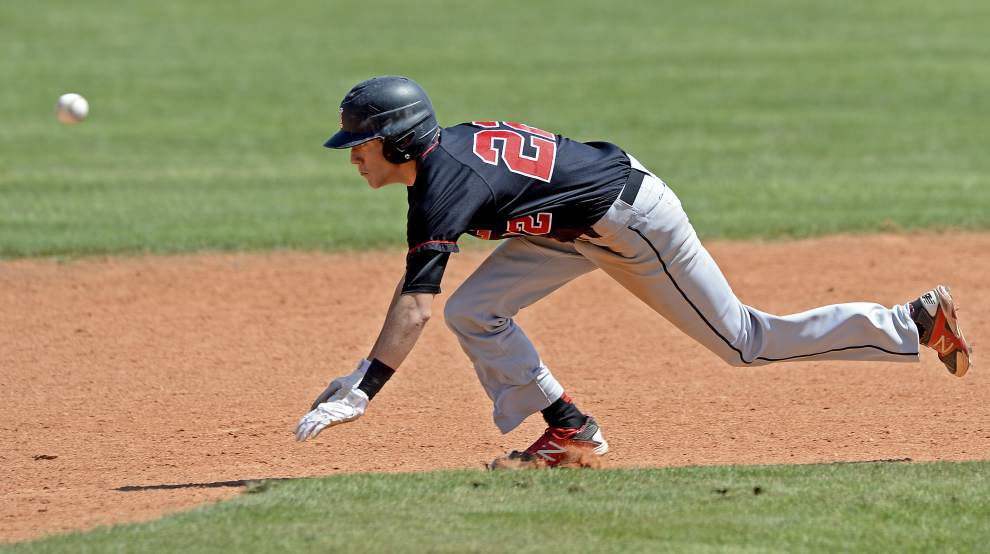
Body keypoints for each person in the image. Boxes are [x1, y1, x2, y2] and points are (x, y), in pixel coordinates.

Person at [294, 75, 973, 467]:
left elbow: (412, 304)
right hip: (570, 225)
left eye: (362, 142)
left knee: (742, 342)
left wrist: (365, 390)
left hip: (632, 220)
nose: (354, 155)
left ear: (402, 139)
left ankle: (910, 323)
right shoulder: (439, 164)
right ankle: (568, 428)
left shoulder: (445, 184)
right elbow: (423, 295)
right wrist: (364, 372)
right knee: (472, 311)